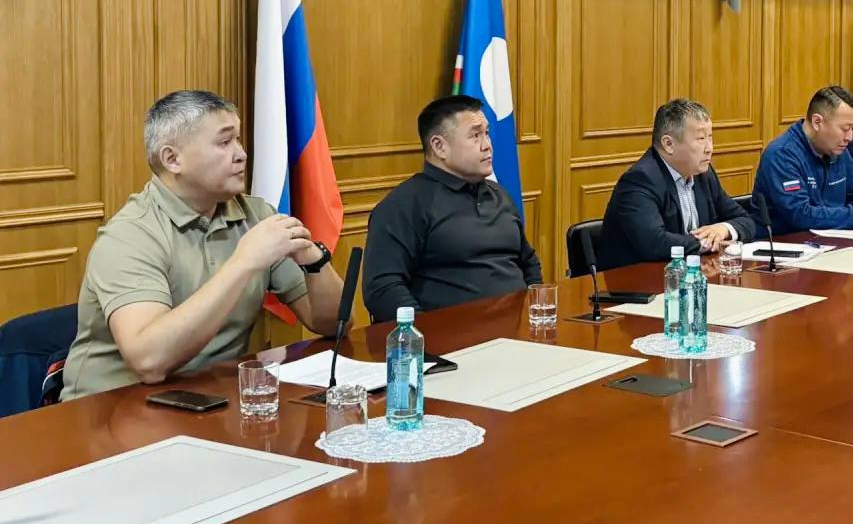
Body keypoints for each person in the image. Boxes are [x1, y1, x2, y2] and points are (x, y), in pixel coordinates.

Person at [61, 91, 343, 400]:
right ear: (172, 159)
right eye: (224, 142)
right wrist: (243, 262)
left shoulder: (256, 215)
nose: (241, 154)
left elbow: (332, 323)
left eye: (238, 139)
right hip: (111, 408)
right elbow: (150, 363)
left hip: (211, 399)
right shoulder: (129, 236)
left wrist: (314, 261)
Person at [363, 95, 542, 322]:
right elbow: (383, 288)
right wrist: (426, 333)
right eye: (475, 135)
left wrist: (535, 312)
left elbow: (528, 262)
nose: (487, 145)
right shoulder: (404, 205)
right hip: (450, 337)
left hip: (518, 330)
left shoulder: (500, 195)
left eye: (487, 133)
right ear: (439, 146)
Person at [599, 99, 756, 272]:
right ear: (669, 144)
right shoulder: (640, 181)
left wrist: (723, 229)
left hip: (690, 276)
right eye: (701, 139)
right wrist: (708, 241)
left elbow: (746, 220)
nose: (709, 148)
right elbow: (655, 243)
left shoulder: (703, 174)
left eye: (710, 137)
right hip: (638, 281)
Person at [753, 85, 853, 235]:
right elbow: (800, 215)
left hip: (830, 239)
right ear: (817, 122)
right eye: (845, 129)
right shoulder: (782, 154)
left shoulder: (838, 150)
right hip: (783, 242)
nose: (850, 138)